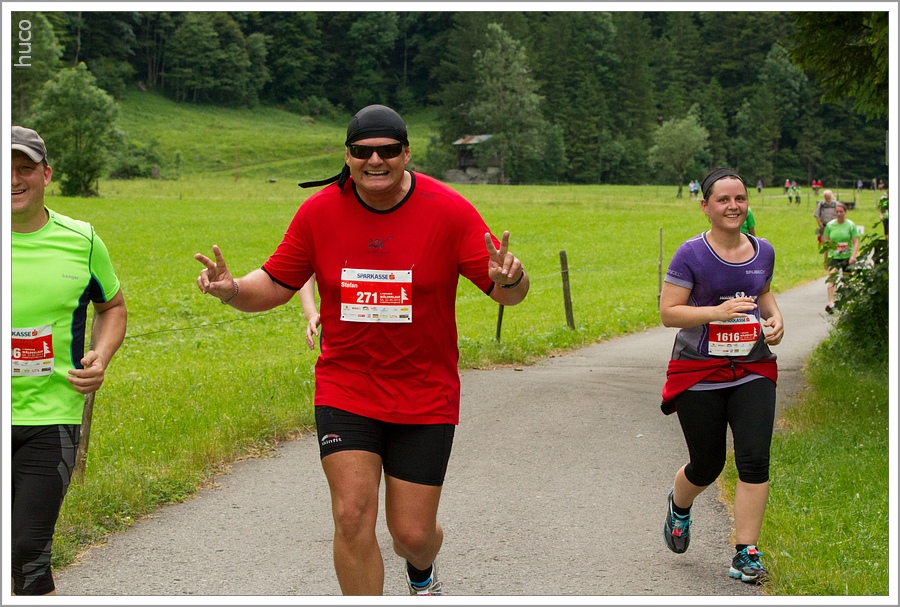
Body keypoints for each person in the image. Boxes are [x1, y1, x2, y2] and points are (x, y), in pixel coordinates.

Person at [194, 104, 529, 596]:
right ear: (348, 156)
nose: (376, 160)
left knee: (412, 535)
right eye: (363, 151)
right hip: (347, 387)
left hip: (424, 392)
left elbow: (507, 294)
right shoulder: (319, 213)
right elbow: (276, 283)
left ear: (406, 153)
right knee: (351, 516)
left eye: (387, 150)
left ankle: (422, 569)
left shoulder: (448, 210)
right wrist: (233, 290)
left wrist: (513, 279)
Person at [11, 126, 128, 595]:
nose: (14, 179)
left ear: (46, 174)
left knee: (26, 550)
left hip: (51, 418)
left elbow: (112, 306)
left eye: (25, 168)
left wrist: (102, 355)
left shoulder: (81, 240)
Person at [658, 167, 784, 585]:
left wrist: (775, 318)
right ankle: (679, 505)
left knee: (754, 458)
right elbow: (668, 313)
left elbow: (763, 293)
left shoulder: (763, 251)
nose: (733, 206)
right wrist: (717, 312)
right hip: (699, 369)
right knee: (707, 464)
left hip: (752, 367)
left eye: (740, 199)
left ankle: (746, 553)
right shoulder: (690, 254)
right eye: (723, 200)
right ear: (706, 206)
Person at [821, 201, 860, 314]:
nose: (839, 214)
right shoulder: (830, 225)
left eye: (841, 212)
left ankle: (846, 302)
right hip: (834, 256)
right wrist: (825, 259)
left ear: (845, 212)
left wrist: (853, 256)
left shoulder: (850, 225)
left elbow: (856, 241)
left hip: (847, 256)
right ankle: (831, 302)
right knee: (831, 277)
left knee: (846, 280)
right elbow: (826, 243)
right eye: (837, 212)